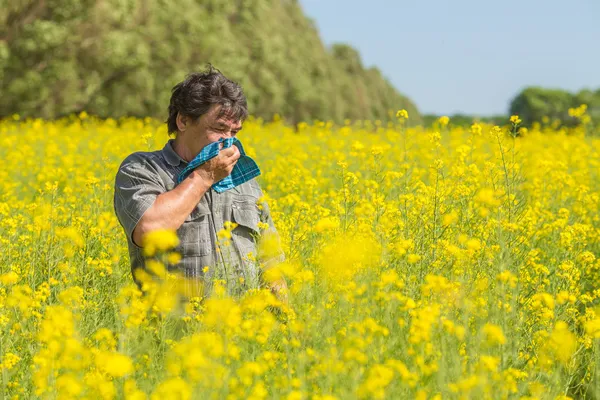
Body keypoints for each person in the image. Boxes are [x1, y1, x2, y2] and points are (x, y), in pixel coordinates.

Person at [113, 65, 287, 302]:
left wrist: (288, 323)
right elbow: (149, 231)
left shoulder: (243, 180)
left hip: (244, 331)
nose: (229, 142)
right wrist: (204, 176)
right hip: (172, 332)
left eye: (235, 132)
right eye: (218, 129)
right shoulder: (143, 169)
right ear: (183, 121)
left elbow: (271, 262)